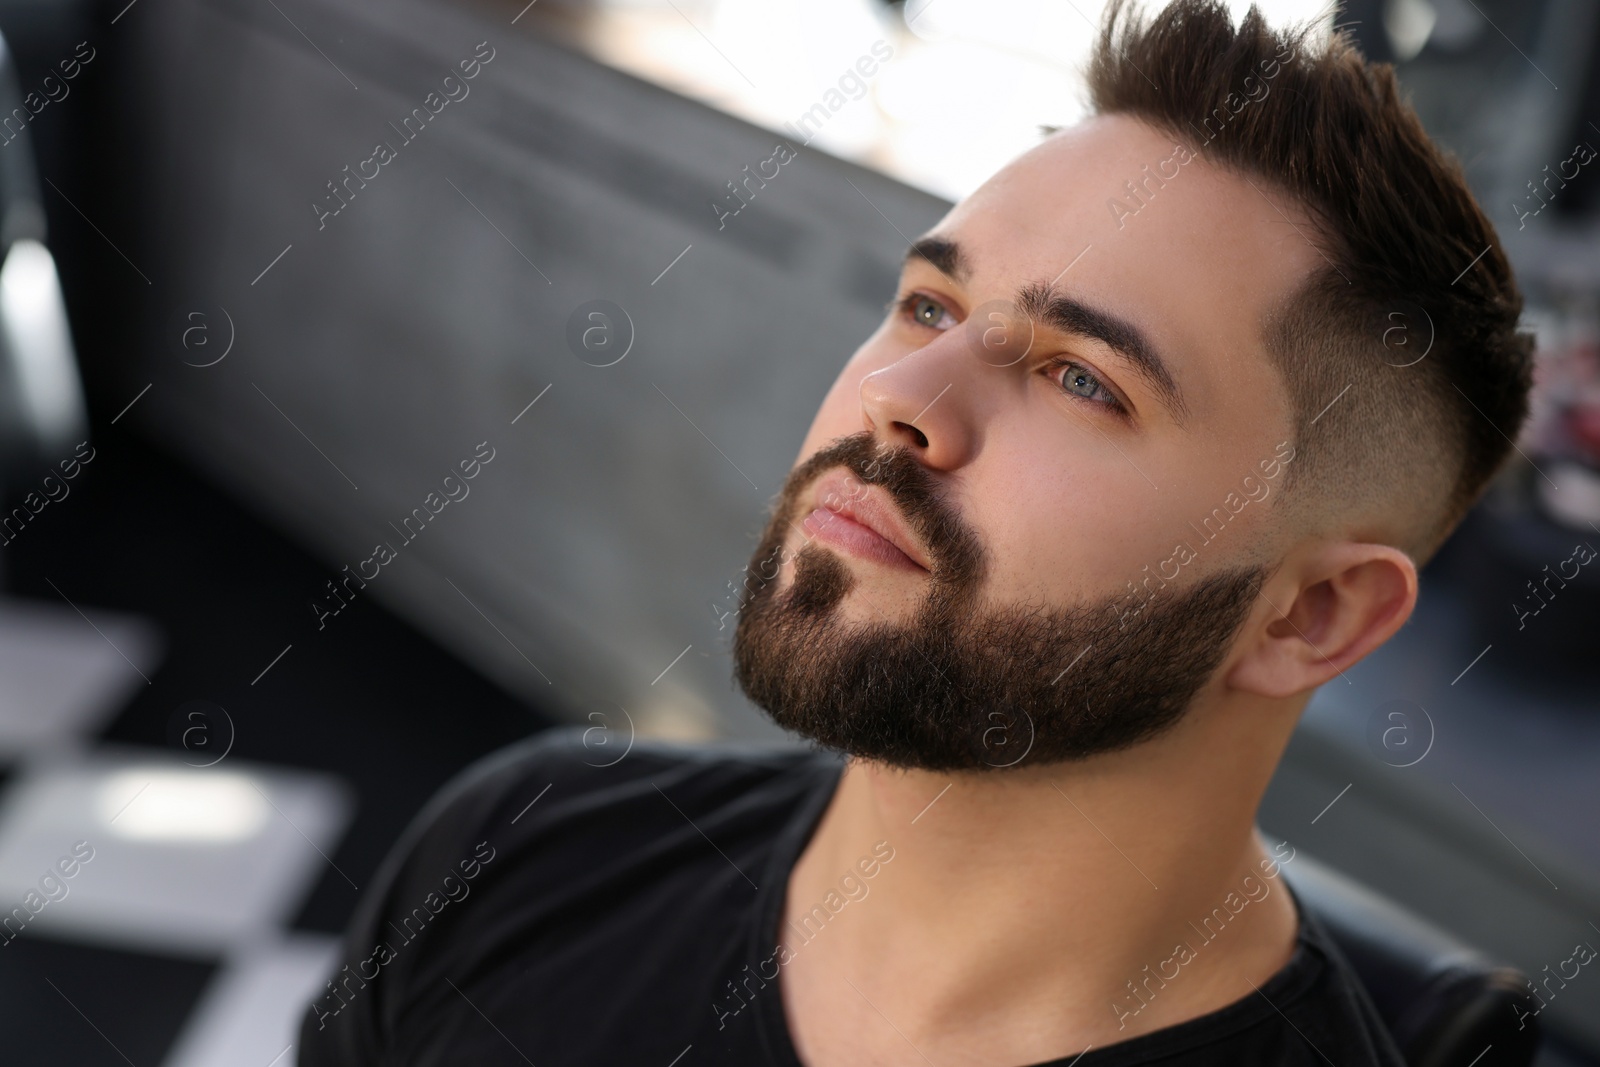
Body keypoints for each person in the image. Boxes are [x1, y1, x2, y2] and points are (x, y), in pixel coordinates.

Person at [297, 1, 1533, 1063]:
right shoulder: (515, 856)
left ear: (1309, 614)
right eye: (929, 302)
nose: (903, 396)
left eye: (1084, 377)